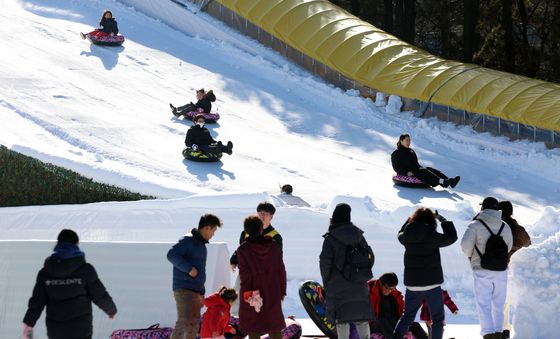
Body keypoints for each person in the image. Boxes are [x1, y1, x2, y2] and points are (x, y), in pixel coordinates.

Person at [22, 229, 117, 339]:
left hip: (56, 332)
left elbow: (37, 301)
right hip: (81, 331)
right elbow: (99, 295)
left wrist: (29, 323)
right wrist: (111, 310)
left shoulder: (45, 273)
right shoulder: (86, 270)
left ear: (58, 245)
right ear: (76, 244)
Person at [393, 208, 457, 339]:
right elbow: (452, 237)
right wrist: (442, 219)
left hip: (412, 284)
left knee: (407, 316)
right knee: (438, 319)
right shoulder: (432, 236)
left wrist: (409, 220)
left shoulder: (406, 236)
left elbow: (400, 232)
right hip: (431, 284)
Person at [319, 203, 374, 339]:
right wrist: (362, 274)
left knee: (341, 320)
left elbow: (325, 263)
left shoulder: (331, 238)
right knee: (361, 318)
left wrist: (326, 281)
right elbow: (370, 257)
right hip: (359, 284)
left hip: (337, 286)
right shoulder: (359, 235)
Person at [461, 197, 513, 339]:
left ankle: (488, 333)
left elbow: (465, 247)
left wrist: (473, 257)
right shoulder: (505, 226)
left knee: (483, 303)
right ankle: (498, 331)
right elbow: (508, 247)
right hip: (501, 270)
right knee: (499, 302)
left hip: (481, 269)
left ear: (483, 208)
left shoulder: (475, 225)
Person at [167, 214, 223, 339]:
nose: (213, 234)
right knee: (184, 322)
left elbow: (201, 272)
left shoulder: (201, 246)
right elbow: (171, 255)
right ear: (207, 228)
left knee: (194, 323)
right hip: (184, 289)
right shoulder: (188, 240)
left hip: (195, 291)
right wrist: (189, 269)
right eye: (213, 231)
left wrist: (201, 292)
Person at [237, 215, 287, 339]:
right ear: (261, 229)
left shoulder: (243, 250)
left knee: (253, 327)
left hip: (253, 293)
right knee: (274, 326)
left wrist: (248, 297)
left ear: (246, 231)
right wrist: (282, 290)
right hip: (272, 290)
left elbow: (245, 276)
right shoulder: (273, 245)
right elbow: (281, 269)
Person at [498, 200, 530, 339]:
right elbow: (528, 243)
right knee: (507, 300)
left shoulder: (496, 226)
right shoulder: (518, 228)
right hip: (514, 269)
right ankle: (506, 329)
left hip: (498, 267)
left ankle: (501, 329)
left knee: (499, 301)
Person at [368, 273, 427, 339]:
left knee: (415, 325)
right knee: (382, 321)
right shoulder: (370, 290)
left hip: (393, 322)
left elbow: (401, 310)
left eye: (391, 288)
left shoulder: (395, 295)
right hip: (377, 323)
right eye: (386, 288)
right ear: (380, 283)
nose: (388, 291)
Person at [391, 133, 460, 188]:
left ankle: (450, 181)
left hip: (415, 169)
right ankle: (443, 182)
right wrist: (406, 173)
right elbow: (397, 168)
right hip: (408, 173)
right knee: (422, 172)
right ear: (401, 141)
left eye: (409, 140)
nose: (409, 142)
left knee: (429, 169)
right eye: (407, 140)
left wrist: (420, 167)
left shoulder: (411, 151)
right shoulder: (396, 154)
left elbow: (415, 163)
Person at [230, 202, 282, 271]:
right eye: (260, 213)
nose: (262, 216)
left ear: (271, 217)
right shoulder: (246, 232)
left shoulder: (275, 236)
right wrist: (234, 261)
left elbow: (277, 258)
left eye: (266, 214)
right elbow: (241, 250)